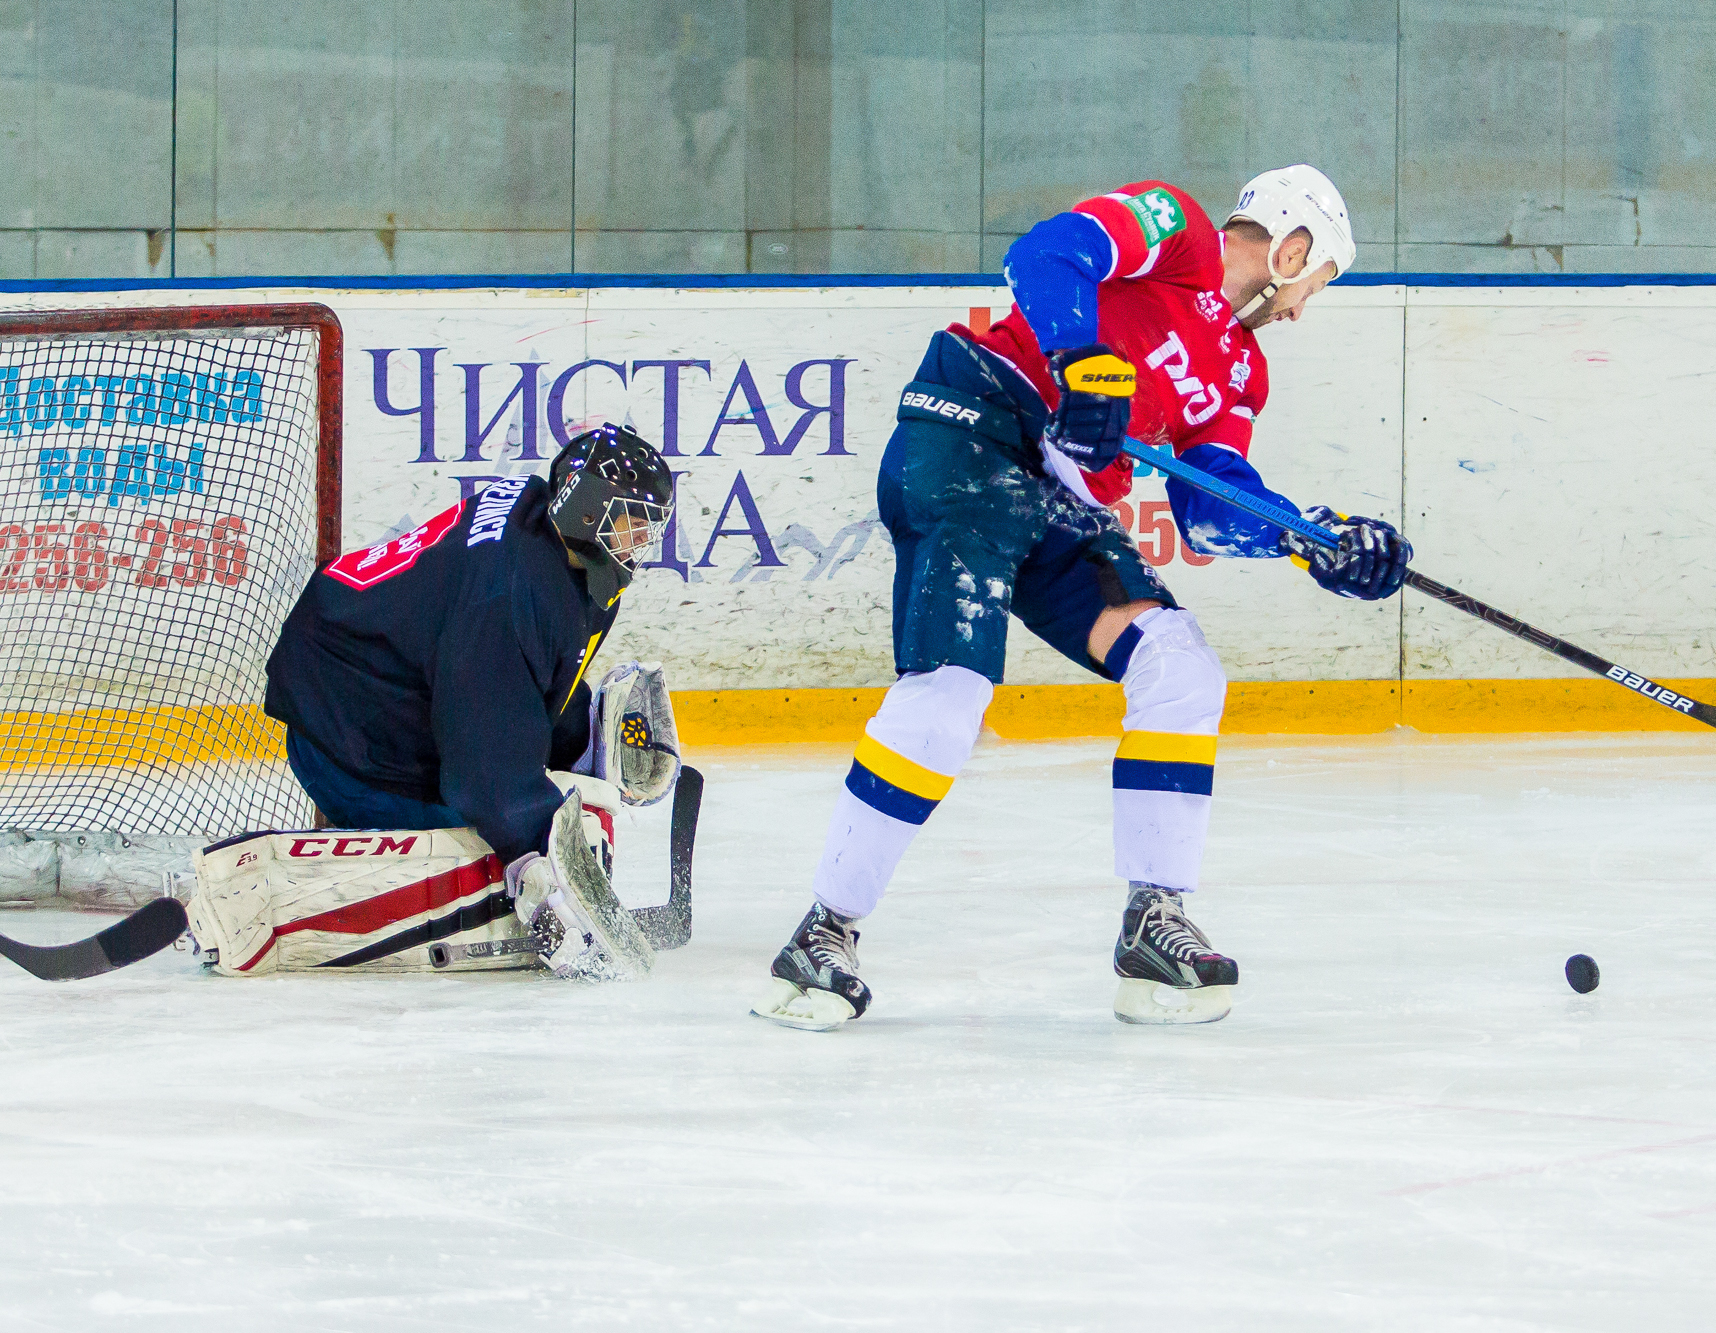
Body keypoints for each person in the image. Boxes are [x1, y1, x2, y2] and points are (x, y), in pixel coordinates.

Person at [752, 165, 1413, 1031]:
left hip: (1057, 496)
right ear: (1292, 250)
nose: (1298, 313)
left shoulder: (1241, 370)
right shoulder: (1172, 229)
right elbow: (1045, 254)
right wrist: (1081, 359)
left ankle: (1154, 921)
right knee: (949, 696)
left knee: (1181, 668)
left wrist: (1309, 537)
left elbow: (1212, 507)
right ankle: (822, 931)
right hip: (969, 432)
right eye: (1313, 286)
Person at [259, 423, 682, 977]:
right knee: (494, 831)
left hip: (384, 684)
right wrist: (535, 855)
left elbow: (518, 671)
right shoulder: (508, 596)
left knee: (522, 780)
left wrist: (580, 736)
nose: (641, 540)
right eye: (631, 523)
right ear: (587, 510)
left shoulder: (548, 539)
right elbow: (481, 766)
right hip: (350, 746)